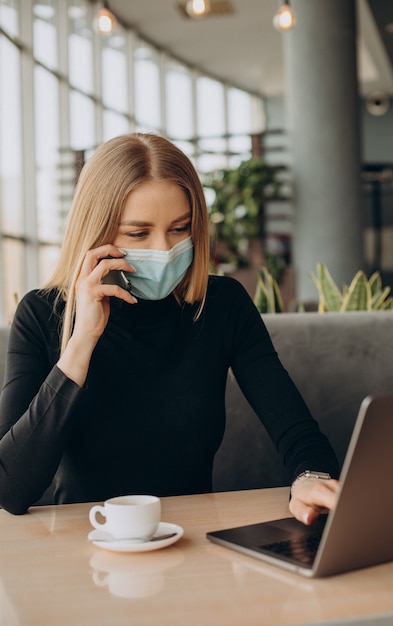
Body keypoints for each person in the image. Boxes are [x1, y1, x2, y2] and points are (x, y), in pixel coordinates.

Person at [0, 133, 339, 520]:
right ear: (98, 233)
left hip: (192, 540)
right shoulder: (41, 314)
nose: (163, 250)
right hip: (87, 546)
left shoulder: (222, 305)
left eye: (179, 228)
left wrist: (311, 478)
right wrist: (81, 342)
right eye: (138, 233)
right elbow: (11, 490)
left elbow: (299, 433)